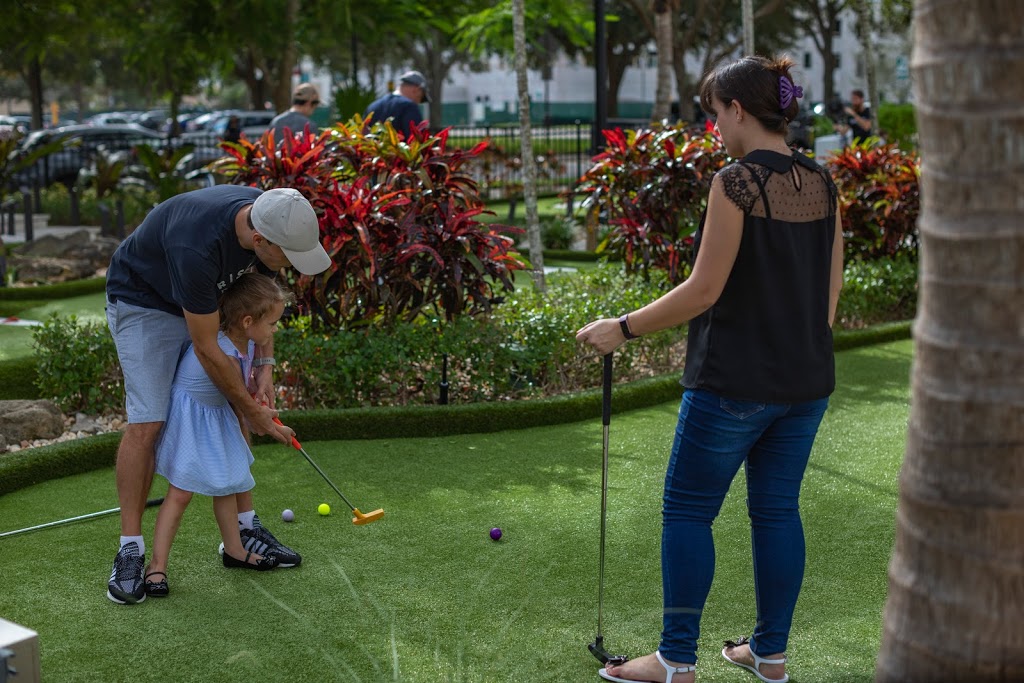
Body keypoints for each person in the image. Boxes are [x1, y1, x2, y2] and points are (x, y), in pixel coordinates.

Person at [576, 55, 844, 683]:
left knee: (689, 512)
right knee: (777, 511)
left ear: (740, 110)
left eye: (717, 112)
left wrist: (622, 328)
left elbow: (703, 290)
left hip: (734, 383)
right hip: (807, 382)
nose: (716, 125)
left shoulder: (735, 182)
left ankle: (675, 660)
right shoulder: (824, 182)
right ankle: (768, 654)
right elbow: (829, 297)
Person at [104, 184, 332, 605]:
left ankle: (243, 535)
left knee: (237, 403)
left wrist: (263, 370)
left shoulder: (272, 213)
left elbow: (260, 304)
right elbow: (208, 349)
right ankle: (131, 550)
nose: (292, 267)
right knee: (148, 421)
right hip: (145, 302)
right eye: (286, 257)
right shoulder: (197, 246)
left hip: (202, 305)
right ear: (260, 240)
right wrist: (253, 411)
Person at [143, 274, 294, 598]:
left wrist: (261, 402)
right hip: (193, 415)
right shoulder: (223, 351)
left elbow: (244, 395)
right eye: (271, 324)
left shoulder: (248, 343)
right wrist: (273, 427)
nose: (273, 332)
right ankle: (156, 567)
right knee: (181, 493)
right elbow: (241, 403)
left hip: (217, 413)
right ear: (248, 321)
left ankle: (235, 550)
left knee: (227, 483)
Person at [364, 70, 429, 138]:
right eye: (420, 98)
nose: (418, 102)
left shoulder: (372, 106)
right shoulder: (409, 107)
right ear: (416, 90)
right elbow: (416, 140)